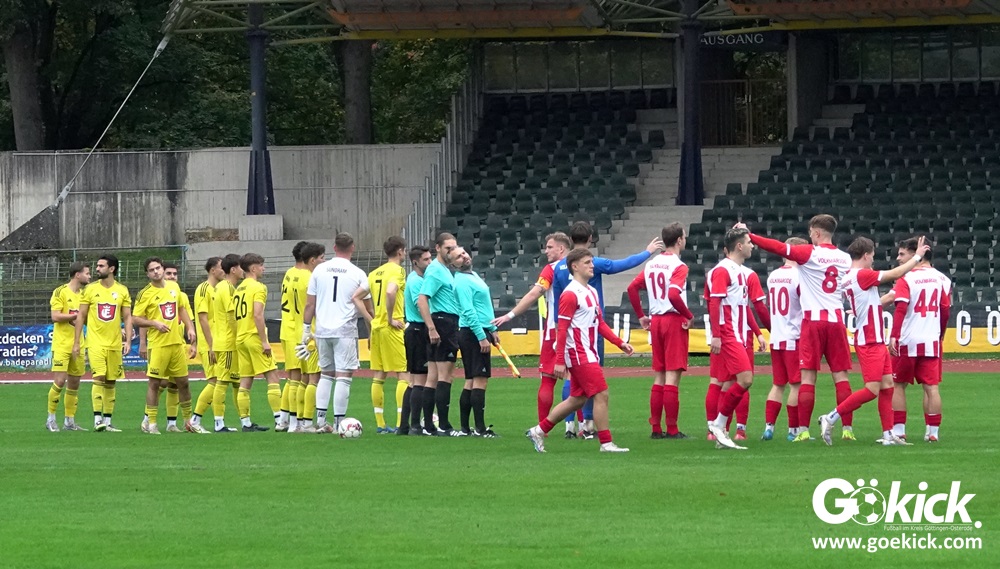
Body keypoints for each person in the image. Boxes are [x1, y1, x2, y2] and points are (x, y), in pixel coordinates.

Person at [737, 215, 854, 442]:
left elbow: (778, 247)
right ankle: (847, 429)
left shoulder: (810, 253)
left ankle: (802, 430)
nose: (810, 237)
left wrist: (750, 235)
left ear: (817, 233)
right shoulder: (845, 258)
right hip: (836, 320)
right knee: (841, 377)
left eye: (811, 233)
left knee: (806, 380)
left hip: (811, 322)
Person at [552, 221, 663, 438]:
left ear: (570, 239)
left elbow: (557, 303)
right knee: (594, 380)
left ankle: (568, 425)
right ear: (591, 238)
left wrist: (559, 331)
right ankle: (588, 425)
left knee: (571, 378)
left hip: (569, 330)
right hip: (590, 329)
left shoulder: (559, 267)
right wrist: (647, 252)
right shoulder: (594, 263)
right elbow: (622, 265)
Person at [817, 236, 930, 446]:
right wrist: (917, 257)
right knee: (871, 389)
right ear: (866, 255)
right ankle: (831, 417)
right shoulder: (861, 275)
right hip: (869, 339)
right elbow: (895, 273)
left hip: (874, 337)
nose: (873, 260)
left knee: (887, 386)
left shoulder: (849, 276)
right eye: (872, 256)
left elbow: (873, 300)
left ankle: (888, 434)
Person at [526, 248, 635, 453]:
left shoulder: (591, 291)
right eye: (587, 263)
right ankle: (606, 443)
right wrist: (559, 360)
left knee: (577, 399)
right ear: (574, 266)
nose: (592, 266)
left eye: (591, 262)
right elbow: (562, 329)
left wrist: (619, 343)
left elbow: (599, 323)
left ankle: (538, 431)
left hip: (587, 351)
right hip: (578, 353)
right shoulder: (570, 294)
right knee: (601, 393)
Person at [490, 232, 572, 428]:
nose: (546, 251)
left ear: (561, 248)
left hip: (555, 330)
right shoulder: (582, 266)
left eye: (550, 247)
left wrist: (510, 315)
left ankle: (542, 428)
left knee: (548, 380)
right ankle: (580, 426)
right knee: (577, 378)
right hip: (580, 330)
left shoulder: (552, 269)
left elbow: (535, 293)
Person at [626, 223, 693, 439]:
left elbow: (632, 288)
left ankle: (655, 427)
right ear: (679, 240)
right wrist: (688, 315)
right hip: (673, 320)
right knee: (673, 375)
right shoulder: (679, 266)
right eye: (684, 237)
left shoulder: (652, 264)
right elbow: (673, 294)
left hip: (656, 321)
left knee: (659, 375)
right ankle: (672, 428)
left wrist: (641, 315)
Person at [887, 237, 951, 443]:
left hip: (908, 340)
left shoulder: (906, 279)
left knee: (898, 385)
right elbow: (945, 309)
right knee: (931, 387)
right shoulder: (942, 279)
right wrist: (940, 334)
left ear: (917, 254)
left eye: (902, 254)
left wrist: (894, 335)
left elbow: (901, 308)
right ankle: (933, 433)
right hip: (931, 340)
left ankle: (899, 431)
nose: (898, 258)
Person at [302, 233, 368, 434]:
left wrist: (306, 330)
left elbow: (310, 304)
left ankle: (321, 421)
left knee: (326, 374)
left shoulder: (319, 270)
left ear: (334, 247)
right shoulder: (358, 273)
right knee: (344, 376)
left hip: (322, 330)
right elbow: (368, 306)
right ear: (353, 247)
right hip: (345, 330)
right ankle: (340, 423)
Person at [133, 257, 206, 434]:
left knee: (183, 383)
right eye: (152, 270)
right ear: (147, 274)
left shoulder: (174, 287)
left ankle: (188, 422)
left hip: (176, 344)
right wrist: (154, 324)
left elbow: (181, 308)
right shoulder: (145, 293)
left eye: (158, 268)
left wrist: (190, 328)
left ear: (162, 268)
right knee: (155, 383)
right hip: (158, 345)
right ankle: (151, 423)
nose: (156, 272)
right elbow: (135, 318)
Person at [704, 248, 767, 442]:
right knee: (740, 380)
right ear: (738, 246)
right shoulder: (736, 273)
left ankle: (718, 429)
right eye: (748, 242)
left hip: (735, 334)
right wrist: (717, 334)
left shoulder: (731, 272)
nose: (752, 246)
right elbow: (715, 303)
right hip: (731, 335)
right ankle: (733, 428)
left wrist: (758, 333)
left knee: (723, 382)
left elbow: (742, 307)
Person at [353, 236, 409, 434]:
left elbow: (356, 297)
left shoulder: (375, 272)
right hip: (392, 328)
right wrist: (391, 318)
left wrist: (371, 320)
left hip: (377, 329)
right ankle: (401, 423)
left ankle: (380, 424)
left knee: (379, 375)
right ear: (400, 251)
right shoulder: (398, 271)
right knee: (403, 374)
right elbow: (391, 292)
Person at [73, 254, 133, 432]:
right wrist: (76, 342)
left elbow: (127, 317)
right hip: (95, 342)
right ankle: (97, 419)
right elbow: (81, 316)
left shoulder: (122, 290)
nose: (97, 269)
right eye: (97, 266)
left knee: (111, 381)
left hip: (114, 343)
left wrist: (128, 340)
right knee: (98, 377)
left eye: (101, 266)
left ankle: (108, 421)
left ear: (111, 269)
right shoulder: (90, 289)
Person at [451, 247, 499, 437]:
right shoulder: (461, 282)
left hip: (479, 330)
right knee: (479, 379)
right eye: (458, 257)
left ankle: (466, 428)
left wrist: (492, 329)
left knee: (471, 379)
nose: (463, 257)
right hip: (473, 333)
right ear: (453, 264)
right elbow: (469, 311)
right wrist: (481, 336)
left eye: (463, 253)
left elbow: (482, 306)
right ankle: (480, 429)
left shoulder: (472, 276)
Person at [416, 232, 460, 435]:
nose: (452, 251)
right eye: (448, 248)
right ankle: (443, 424)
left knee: (433, 377)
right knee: (445, 376)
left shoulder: (444, 270)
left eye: (454, 248)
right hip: (443, 323)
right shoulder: (435, 270)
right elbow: (422, 299)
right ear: (438, 248)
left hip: (443, 322)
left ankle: (429, 425)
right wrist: (432, 327)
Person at [762, 238, 805, 442]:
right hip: (793, 336)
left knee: (778, 384)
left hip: (777, 335)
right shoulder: (799, 276)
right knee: (796, 384)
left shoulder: (773, 276)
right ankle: (793, 430)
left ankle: (769, 427)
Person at [233, 253, 283, 432]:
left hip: (241, 337)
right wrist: (264, 341)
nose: (264, 268)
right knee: (272, 375)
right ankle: (280, 420)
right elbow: (257, 314)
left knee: (246, 380)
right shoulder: (259, 287)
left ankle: (245, 422)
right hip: (254, 337)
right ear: (253, 268)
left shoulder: (238, 289)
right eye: (261, 265)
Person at [46, 262, 91, 432]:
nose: (89, 276)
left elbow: (89, 318)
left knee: (74, 383)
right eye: (87, 273)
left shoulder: (85, 295)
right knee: (59, 381)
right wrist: (74, 316)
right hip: (62, 344)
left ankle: (69, 421)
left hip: (79, 344)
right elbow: (55, 316)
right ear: (77, 275)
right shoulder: (61, 291)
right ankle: (50, 419)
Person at [285, 242, 325, 433]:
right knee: (313, 377)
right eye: (322, 258)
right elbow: (312, 305)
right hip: (310, 332)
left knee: (299, 378)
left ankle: (295, 422)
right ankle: (308, 422)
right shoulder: (310, 277)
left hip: (292, 330)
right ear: (312, 259)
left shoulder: (290, 274)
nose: (324, 261)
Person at [276, 242, 310, 432]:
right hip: (300, 331)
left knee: (292, 377)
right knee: (304, 377)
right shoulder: (307, 276)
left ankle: (283, 420)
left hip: (286, 329)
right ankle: (298, 422)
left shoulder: (289, 273)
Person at [210, 254, 244, 432]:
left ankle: (245, 420)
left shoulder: (222, 287)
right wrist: (239, 336)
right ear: (233, 269)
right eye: (241, 267)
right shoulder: (228, 288)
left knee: (236, 382)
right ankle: (219, 423)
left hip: (223, 340)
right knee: (222, 381)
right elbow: (232, 316)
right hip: (228, 342)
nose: (243, 270)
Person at [190, 257, 224, 430]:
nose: (224, 270)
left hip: (218, 342)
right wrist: (211, 346)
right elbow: (203, 319)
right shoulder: (203, 289)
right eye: (221, 267)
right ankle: (195, 420)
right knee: (215, 381)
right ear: (212, 270)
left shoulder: (218, 289)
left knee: (220, 381)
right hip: (209, 344)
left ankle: (219, 423)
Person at [403, 245, 433, 435]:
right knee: (420, 378)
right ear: (415, 262)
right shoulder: (415, 281)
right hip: (418, 330)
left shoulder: (417, 279)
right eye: (426, 260)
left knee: (414, 380)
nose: (430, 262)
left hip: (415, 330)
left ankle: (404, 426)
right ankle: (415, 425)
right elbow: (420, 305)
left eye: (430, 258)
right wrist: (432, 325)